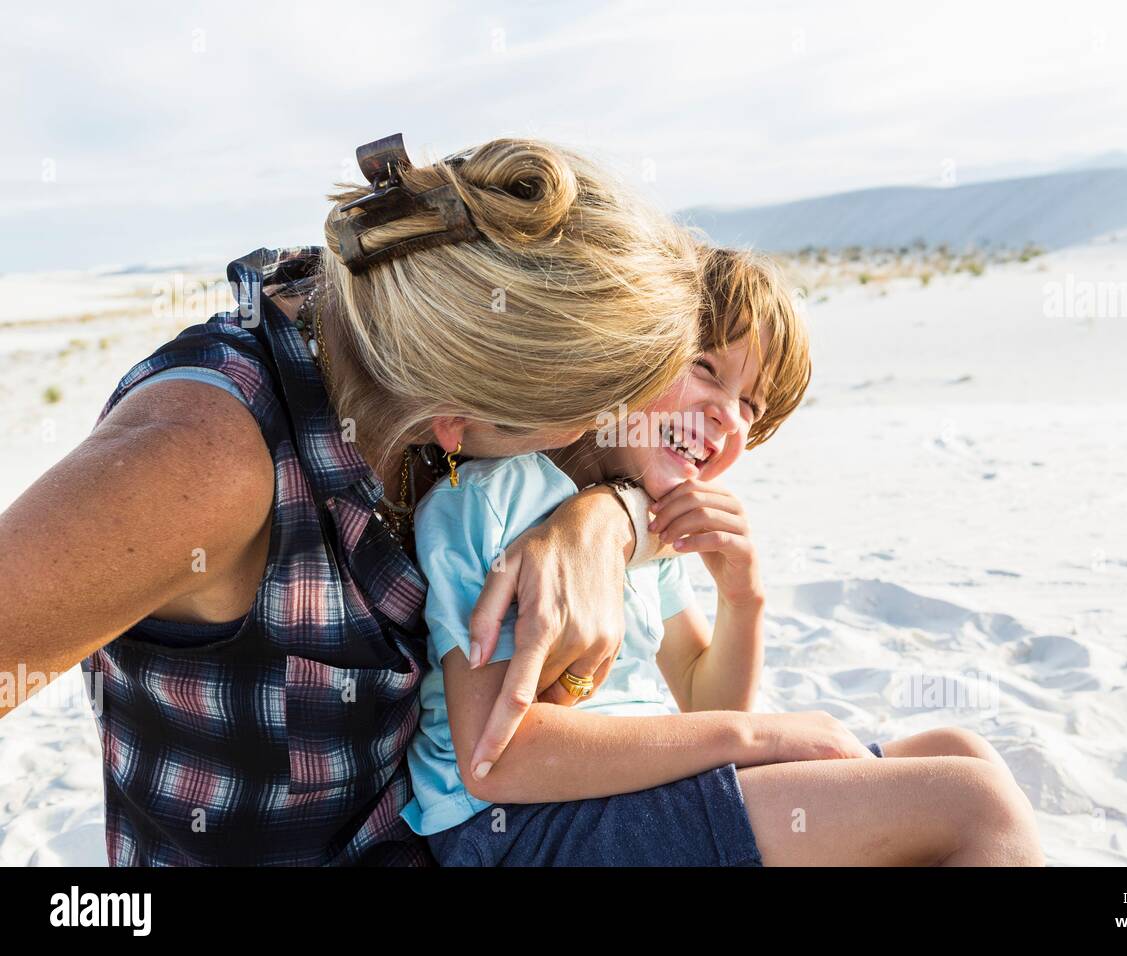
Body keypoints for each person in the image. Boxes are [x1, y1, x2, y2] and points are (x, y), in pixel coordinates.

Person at [0, 135, 704, 865]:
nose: (612, 427)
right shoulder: (204, 461)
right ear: (459, 420)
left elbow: (650, 482)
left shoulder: (433, 331)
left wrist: (601, 522)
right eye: (604, 410)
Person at [402, 247, 1046, 866]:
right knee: (976, 807)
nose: (726, 415)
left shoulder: (643, 525)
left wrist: (743, 598)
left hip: (620, 801)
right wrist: (759, 737)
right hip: (521, 829)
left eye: (751, 406)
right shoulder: (498, 495)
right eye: (706, 368)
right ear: (633, 355)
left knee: (957, 748)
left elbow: (703, 696)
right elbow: (495, 761)